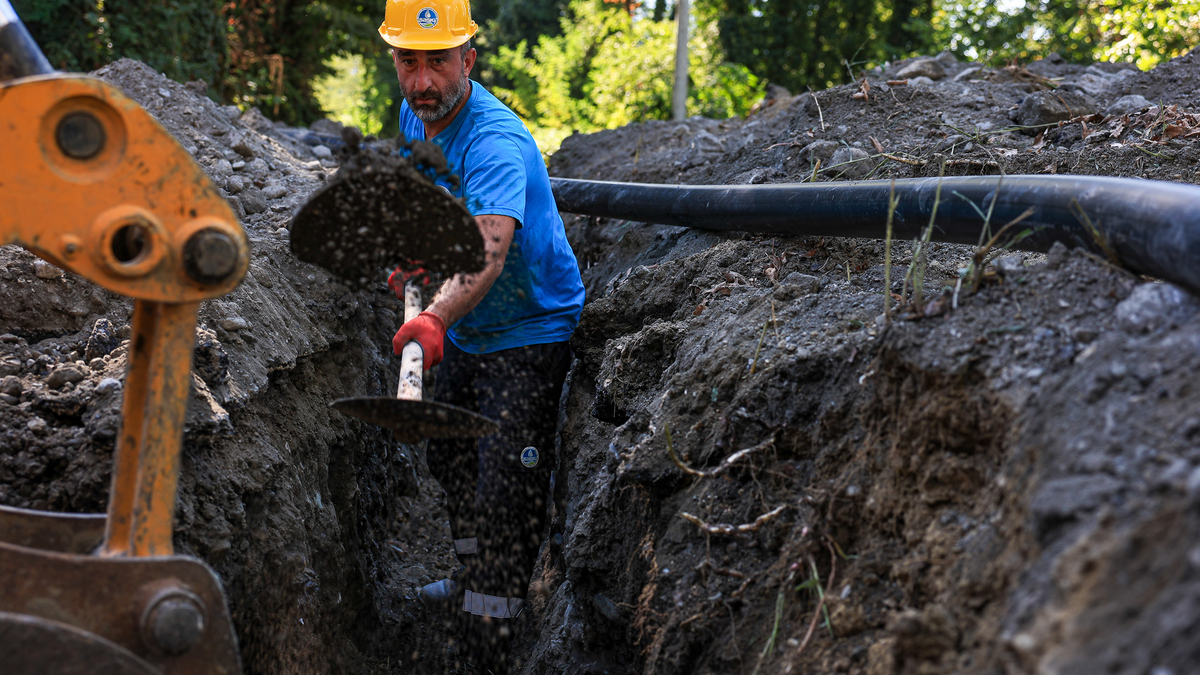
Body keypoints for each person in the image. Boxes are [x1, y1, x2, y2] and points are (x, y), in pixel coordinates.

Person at [377, 0, 585, 670]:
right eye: (410, 62)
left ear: (469, 59)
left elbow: (488, 254)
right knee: (452, 464)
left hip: (528, 330)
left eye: (438, 62)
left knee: (505, 495)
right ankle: (473, 584)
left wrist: (433, 315)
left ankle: (490, 636)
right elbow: (426, 187)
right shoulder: (419, 110)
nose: (423, 80)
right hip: (470, 326)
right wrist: (414, 250)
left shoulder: (495, 142)